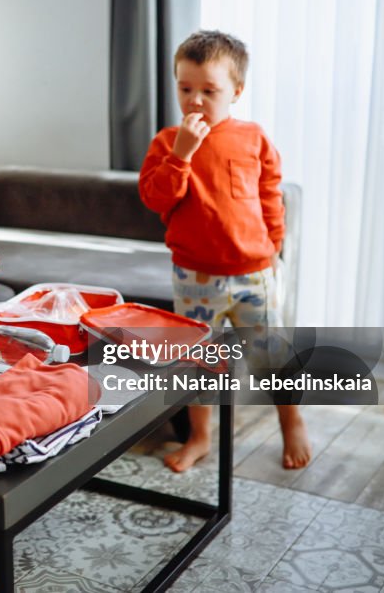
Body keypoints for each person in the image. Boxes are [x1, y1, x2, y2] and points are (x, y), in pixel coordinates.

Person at [138, 30, 312, 471]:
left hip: (254, 272)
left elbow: (271, 196)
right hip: (194, 276)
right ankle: (199, 437)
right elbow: (155, 199)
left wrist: (273, 248)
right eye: (185, 89)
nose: (195, 101)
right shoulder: (167, 142)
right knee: (200, 360)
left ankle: (291, 421)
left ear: (236, 91)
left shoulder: (253, 138)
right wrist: (181, 155)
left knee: (272, 354)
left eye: (209, 91)